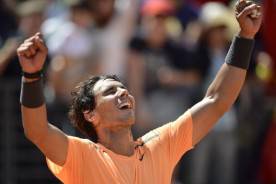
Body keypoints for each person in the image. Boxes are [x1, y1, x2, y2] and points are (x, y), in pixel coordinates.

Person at [17, 1, 262, 183]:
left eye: (124, 89)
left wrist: (245, 38)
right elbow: (37, 130)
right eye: (111, 91)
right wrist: (31, 76)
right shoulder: (81, 155)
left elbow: (217, 100)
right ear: (91, 114)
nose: (124, 93)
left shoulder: (160, 145)